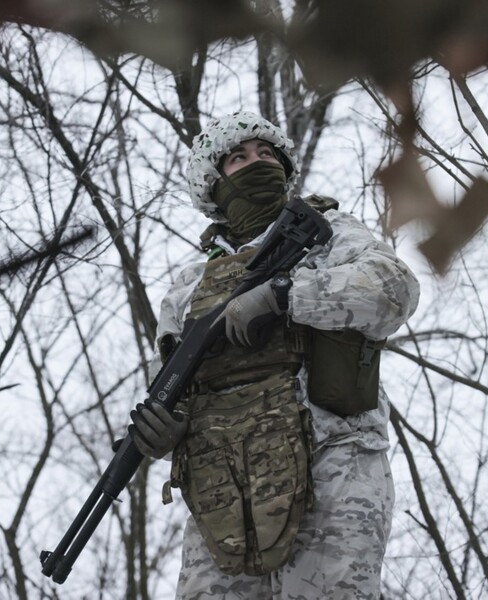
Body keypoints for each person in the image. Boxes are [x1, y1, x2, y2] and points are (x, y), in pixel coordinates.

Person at [129, 111, 420, 599]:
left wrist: (284, 294)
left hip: (331, 466)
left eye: (267, 154)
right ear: (213, 185)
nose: (256, 163)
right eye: (238, 158)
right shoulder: (187, 288)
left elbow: (395, 290)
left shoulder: (330, 233)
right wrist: (167, 433)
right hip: (222, 491)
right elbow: (170, 384)